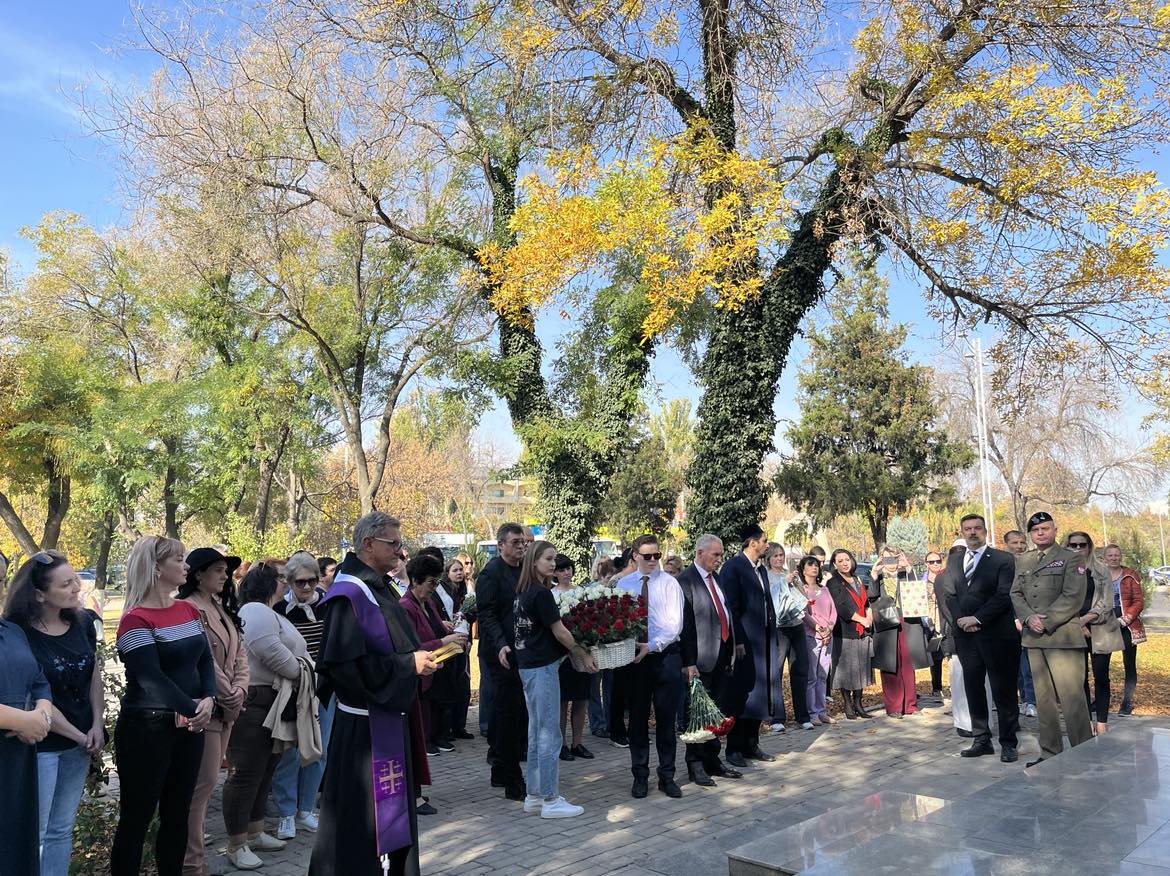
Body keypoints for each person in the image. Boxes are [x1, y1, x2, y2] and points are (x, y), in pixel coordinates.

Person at [309, 512, 438, 876]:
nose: (401, 551)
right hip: (363, 732)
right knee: (359, 826)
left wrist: (421, 659)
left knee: (391, 823)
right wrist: (407, 666)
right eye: (393, 543)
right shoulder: (349, 596)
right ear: (368, 544)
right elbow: (345, 670)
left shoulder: (380, 587)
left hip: (388, 718)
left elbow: (394, 646)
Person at [112, 537, 215, 876]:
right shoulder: (134, 620)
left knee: (178, 814)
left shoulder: (188, 609)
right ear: (156, 567)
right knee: (136, 818)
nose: (187, 566)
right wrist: (195, 708)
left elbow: (205, 659)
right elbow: (150, 678)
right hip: (147, 729)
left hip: (189, 726)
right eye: (179, 559)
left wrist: (209, 698)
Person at [5, 551, 101, 876]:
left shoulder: (83, 623)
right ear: (39, 594)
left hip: (82, 741)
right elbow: (35, 692)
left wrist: (97, 724)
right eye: (66, 583)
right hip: (42, 744)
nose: (77, 587)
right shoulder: (18, 633)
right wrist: (78, 735)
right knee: (38, 830)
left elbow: (93, 673)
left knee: (62, 828)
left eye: (75, 579)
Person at [223, 562, 310, 870]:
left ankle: (255, 831)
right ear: (266, 583)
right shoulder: (255, 611)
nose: (286, 582)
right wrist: (302, 670)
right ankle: (237, 843)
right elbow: (273, 653)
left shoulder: (269, 612)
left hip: (273, 703)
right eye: (281, 578)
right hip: (256, 704)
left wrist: (302, 668)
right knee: (245, 774)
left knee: (264, 771)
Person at [513, 541, 598, 817]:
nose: (553, 564)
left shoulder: (524, 591)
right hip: (541, 668)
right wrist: (582, 652)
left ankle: (535, 795)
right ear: (534, 561)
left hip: (530, 667)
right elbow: (559, 631)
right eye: (548, 559)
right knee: (549, 733)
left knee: (537, 732)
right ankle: (550, 799)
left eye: (554, 559)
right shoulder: (540, 593)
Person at [177, 547, 248, 876]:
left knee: (207, 785)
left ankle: (194, 858)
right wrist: (227, 691)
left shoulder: (220, 605)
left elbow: (240, 653)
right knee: (201, 786)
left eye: (225, 570)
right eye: (218, 569)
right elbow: (202, 657)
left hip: (227, 705)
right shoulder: (188, 608)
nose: (225, 575)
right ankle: (191, 863)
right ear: (198, 574)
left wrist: (240, 688)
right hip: (205, 706)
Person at [1010, 511, 1093, 768]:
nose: (1040, 533)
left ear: (1055, 530)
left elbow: (1073, 596)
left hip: (1062, 638)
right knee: (1044, 701)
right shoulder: (1024, 560)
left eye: (1045, 528)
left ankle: (1083, 753)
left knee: (1072, 699)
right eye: (1035, 530)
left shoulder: (1071, 558)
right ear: (1031, 534)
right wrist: (1028, 618)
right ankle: (1050, 752)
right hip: (1034, 639)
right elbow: (1015, 593)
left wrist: (1044, 621)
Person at [943, 514, 1020, 763]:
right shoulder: (955, 559)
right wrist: (961, 620)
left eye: (977, 528)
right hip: (966, 637)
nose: (972, 532)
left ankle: (1008, 743)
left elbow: (1004, 595)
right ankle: (981, 739)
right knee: (973, 688)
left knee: (1003, 690)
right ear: (962, 532)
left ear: (985, 531)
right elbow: (949, 594)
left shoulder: (1002, 559)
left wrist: (977, 619)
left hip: (997, 635)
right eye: (967, 529)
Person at [613, 534, 686, 798]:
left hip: (664, 656)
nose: (653, 560)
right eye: (648, 556)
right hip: (635, 659)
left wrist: (652, 645)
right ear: (635, 556)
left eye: (657, 555)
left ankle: (667, 776)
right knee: (637, 719)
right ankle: (640, 775)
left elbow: (675, 626)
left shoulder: (670, 584)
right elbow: (617, 619)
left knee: (666, 720)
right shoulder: (624, 584)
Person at [272, 551, 331, 840]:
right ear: (289, 582)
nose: (306, 587)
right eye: (300, 582)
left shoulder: (329, 605)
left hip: (325, 688)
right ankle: (286, 812)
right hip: (292, 688)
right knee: (290, 752)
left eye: (311, 581)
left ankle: (306, 809)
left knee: (319, 751)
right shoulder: (279, 610)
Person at [679, 534, 743, 787]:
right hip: (700, 659)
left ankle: (712, 759)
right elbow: (685, 626)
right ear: (700, 553)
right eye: (715, 554)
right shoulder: (685, 581)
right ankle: (695, 763)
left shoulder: (716, 578)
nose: (719, 559)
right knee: (697, 713)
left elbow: (725, 611)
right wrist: (688, 661)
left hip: (722, 657)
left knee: (715, 711)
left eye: (721, 554)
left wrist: (735, 643)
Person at [0, 592, 53, 875]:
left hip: (18, 758)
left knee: (17, 847)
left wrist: (40, 717)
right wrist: (22, 720)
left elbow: (39, 681)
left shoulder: (12, 631)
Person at [476, 522, 529, 799]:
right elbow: (487, 614)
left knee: (514, 713)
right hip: (501, 654)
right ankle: (511, 779)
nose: (521, 546)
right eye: (515, 542)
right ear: (501, 545)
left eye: (523, 542)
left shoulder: (525, 570)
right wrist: (501, 644)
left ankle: (500, 767)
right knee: (508, 713)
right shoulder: (490, 574)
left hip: (523, 651)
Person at [400, 554, 468, 761]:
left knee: (439, 706)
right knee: (424, 714)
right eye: (431, 582)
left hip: (438, 666)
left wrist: (453, 635)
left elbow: (438, 628)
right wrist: (444, 641)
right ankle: (426, 741)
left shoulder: (428, 602)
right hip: (422, 672)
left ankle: (437, 737)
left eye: (437, 582)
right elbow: (411, 647)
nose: (434, 587)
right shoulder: (406, 607)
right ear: (415, 580)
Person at [721, 524, 777, 768]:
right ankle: (734, 748)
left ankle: (751, 744)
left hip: (763, 640)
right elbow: (730, 607)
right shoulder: (734, 567)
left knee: (760, 695)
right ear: (752, 543)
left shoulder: (760, 569)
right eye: (764, 541)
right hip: (744, 642)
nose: (767, 544)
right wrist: (738, 640)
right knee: (741, 695)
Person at [1065, 532, 1123, 735]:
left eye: (1082, 545)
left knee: (1101, 676)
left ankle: (1102, 722)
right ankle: (1086, 721)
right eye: (1073, 545)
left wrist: (1087, 619)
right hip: (1073, 629)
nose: (1078, 549)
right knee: (1079, 678)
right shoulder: (1063, 571)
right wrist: (1077, 623)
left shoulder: (1101, 570)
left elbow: (1107, 601)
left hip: (1100, 628)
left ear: (1089, 546)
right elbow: (1062, 601)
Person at [765, 543, 812, 732]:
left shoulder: (790, 573)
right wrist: (783, 582)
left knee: (800, 669)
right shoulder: (766, 575)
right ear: (768, 558)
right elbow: (770, 598)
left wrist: (796, 583)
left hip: (796, 625)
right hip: (779, 628)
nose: (779, 558)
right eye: (775, 555)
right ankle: (776, 717)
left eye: (781, 555)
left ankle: (803, 716)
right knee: (776, 671)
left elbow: (804, 596)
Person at [869, 544, 919, 720]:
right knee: (890, 664)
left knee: (907, 663)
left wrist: (908, 567)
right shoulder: (879, 577)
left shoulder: (904, 575)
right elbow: (872, 597)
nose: (891, 563)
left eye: (894, 558)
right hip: (886, 622)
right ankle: (894, 706)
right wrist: (874, 574)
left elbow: (917, 592)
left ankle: (910, 704)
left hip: (905, 621)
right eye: (887, 558)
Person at [553, 555, 594, 760]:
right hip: (560, 655)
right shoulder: (550, 594)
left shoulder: (582, 592)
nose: (566, 573)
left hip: (581, 651)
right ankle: (561, 744)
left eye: (568, 568)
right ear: (554, 573)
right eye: (561, 570)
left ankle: (578, 743)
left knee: (581, 699)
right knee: (562, 702)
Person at [826, 548, 874, 721]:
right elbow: (841, 607)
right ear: (834, 564)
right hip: (845, 631)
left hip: (863, 630)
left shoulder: (857, 579)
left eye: (847, 559)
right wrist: (861, 619)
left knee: (861, 668)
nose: (845, 563)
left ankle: (859, 703)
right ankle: (847, 704)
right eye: (840, 561)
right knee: (846, 670)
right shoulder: (833, 583)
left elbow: (866, 602)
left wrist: (869, 616)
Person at [1104, 545, 1145, 716]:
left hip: (1126, 623)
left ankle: (1127, 702)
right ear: (1104, 558)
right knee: (1102, 664)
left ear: (1120, 557)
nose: (1114, 558)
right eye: (1110, 555)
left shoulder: (1130, 575)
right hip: (1104, 622)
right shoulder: (1099, 575)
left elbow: (1138, 601)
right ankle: (1102, 699)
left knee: (1129, 664)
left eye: (1116, 555)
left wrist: (1125, 618)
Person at [436, 558, 474, 741]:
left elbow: (466, 616)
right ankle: (449, 727)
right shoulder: (441, 589)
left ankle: (460, 725)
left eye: (461, 569)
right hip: (450, 640)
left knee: (463, 684)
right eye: (455, 570)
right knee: (452, 684)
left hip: (463, 640)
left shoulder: (465, 588)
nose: (459, 573)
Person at [1002, 530, 1037, 718]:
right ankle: (1017, 699)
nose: (1019, 546)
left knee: (1027, 664)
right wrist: (1015, 617)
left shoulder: (1032, 563)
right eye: (1014, 543)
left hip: (1028, 619)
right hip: (1008, 620)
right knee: (1012, 665)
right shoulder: (1003, 565)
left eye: (1022, 542)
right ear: (1006, 544)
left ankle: (1029, 700)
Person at [798, 555, 836, 726]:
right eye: (810, 565)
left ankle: (822, 711)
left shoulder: (825, 590)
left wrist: (829, 627)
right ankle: (811, 712)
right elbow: (803, 613)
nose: (814, 568)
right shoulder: (801, 589)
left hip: (828, 637)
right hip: (811, 636)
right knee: (812, 676)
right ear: (803, 569)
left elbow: (833, 611)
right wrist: (818, 627)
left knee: (823, 675)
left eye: (816, 565)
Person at [607, 547, 637, 748]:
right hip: (620, 640)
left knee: (636, 690)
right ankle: (616, 730)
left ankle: (635, 730)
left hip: (639, 641)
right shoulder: (617, 581)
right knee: (619, 689)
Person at [587, 556, 616, 740]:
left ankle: (608, 722)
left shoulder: (615, 591)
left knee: (609, 685)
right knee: (594, 686)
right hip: (596, 644)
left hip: (611, 644)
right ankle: (598, 723)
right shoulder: (591, 590)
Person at [922, 550, 946, 702]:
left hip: (945, 621)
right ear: (926, 564)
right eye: (932, 562)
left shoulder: (946, 578)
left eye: (938, 561)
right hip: (929, 622)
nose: (936, 564)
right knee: (935, 657)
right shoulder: (921, 581)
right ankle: (937, 688)